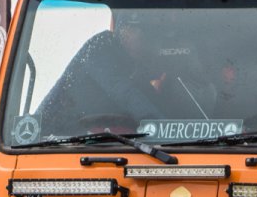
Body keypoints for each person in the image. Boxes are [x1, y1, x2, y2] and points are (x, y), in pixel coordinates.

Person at [34, 10, 211, 137]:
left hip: (94, 137)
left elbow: (147, 100)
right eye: (146, 34)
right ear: (126, 31)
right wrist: (166, 130)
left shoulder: (131, 65)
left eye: (153, 36)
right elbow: (125, 93)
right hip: (52, 138)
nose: (150, 43)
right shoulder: (100, 48)